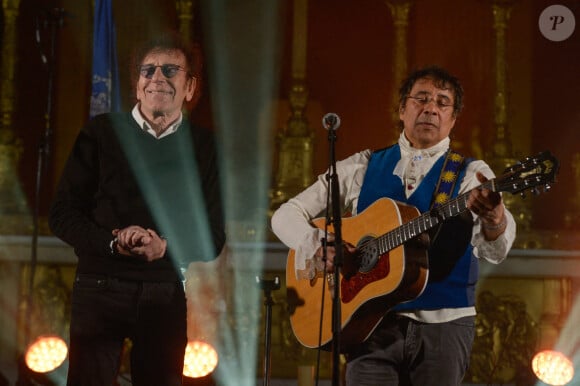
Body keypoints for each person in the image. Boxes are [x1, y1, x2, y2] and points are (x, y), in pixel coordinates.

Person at [271, 65, 516, 385]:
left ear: (453, 119)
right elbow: (285, 215)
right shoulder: (362, 165)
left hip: (443, 327)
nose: (431, 107)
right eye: (422, 98)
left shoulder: (471, 173)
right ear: (402, 109)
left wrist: (494, 219)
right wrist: (319, 242)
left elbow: (496, 250)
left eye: (443, 102)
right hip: (369, 324)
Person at [49, 32, 225, 386]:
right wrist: (112, 241)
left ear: (190, 87)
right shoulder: (100, 134)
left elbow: (213, 236)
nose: (157, 77)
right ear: (137, 85)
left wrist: (165, 248)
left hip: (164, 293)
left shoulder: (205, 147)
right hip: (99, 287)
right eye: (148, 71)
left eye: (170, 70)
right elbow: (63, 215)